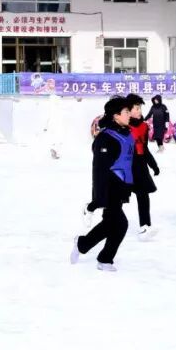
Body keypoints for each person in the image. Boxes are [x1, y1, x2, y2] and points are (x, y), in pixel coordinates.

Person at [71, 95, 135, 272]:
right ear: (115, 115)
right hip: (109, 188)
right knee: (120, 224)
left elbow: (130, 161)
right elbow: (99, 172)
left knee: (110, 224)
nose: (129, 114)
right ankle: (104, 259)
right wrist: (99, 198)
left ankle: (82, 244)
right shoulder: (105, 138)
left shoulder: (126, 133)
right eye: (126, 112)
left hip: (121, 187)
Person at [127, 94, 160, 238]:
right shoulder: (123, 126)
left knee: (143, 196)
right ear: (128, 111)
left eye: (140, 108)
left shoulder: (144, 126)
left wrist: (153, 165)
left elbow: (145, 148)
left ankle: (145, 226)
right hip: (126, 165)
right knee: (118, 197)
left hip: (140, 165)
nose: (139, 111)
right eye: (136, 108)